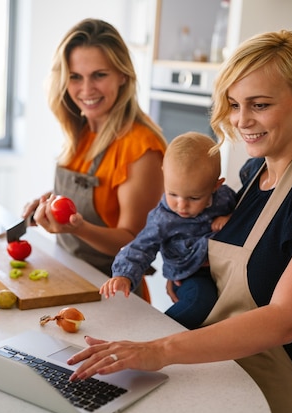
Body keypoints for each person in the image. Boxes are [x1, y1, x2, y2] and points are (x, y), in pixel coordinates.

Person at [67, 30, 292, 413]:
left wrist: (158, 349)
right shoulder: (250, 177)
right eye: (233, 104)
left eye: (259, 105)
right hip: (201, 374)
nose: (241, 121)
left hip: (260, 393)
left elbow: (283, 321)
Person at [23, 19, 167, 297]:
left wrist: (77, 227)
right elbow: (98, 194)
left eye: (99, 75)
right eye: (75, 76)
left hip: (114, 292)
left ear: (123, 75)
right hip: (70, 276)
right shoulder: (81, 130)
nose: (86, 89)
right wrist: (49, 203)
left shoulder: (141, 147)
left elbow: (133, 241)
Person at [100, 131, 236, 330]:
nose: (181, 205)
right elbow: (140, 248)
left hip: (225, 271)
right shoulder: (162, 218)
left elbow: (246, 214)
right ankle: (156, 335)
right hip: (189, 275)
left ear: (216, 186)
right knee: (200, 301)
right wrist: (124, 275)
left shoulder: (225, 199)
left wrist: (230, 219)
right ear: (163, 174)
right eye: (173, 193)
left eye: (194, 198)